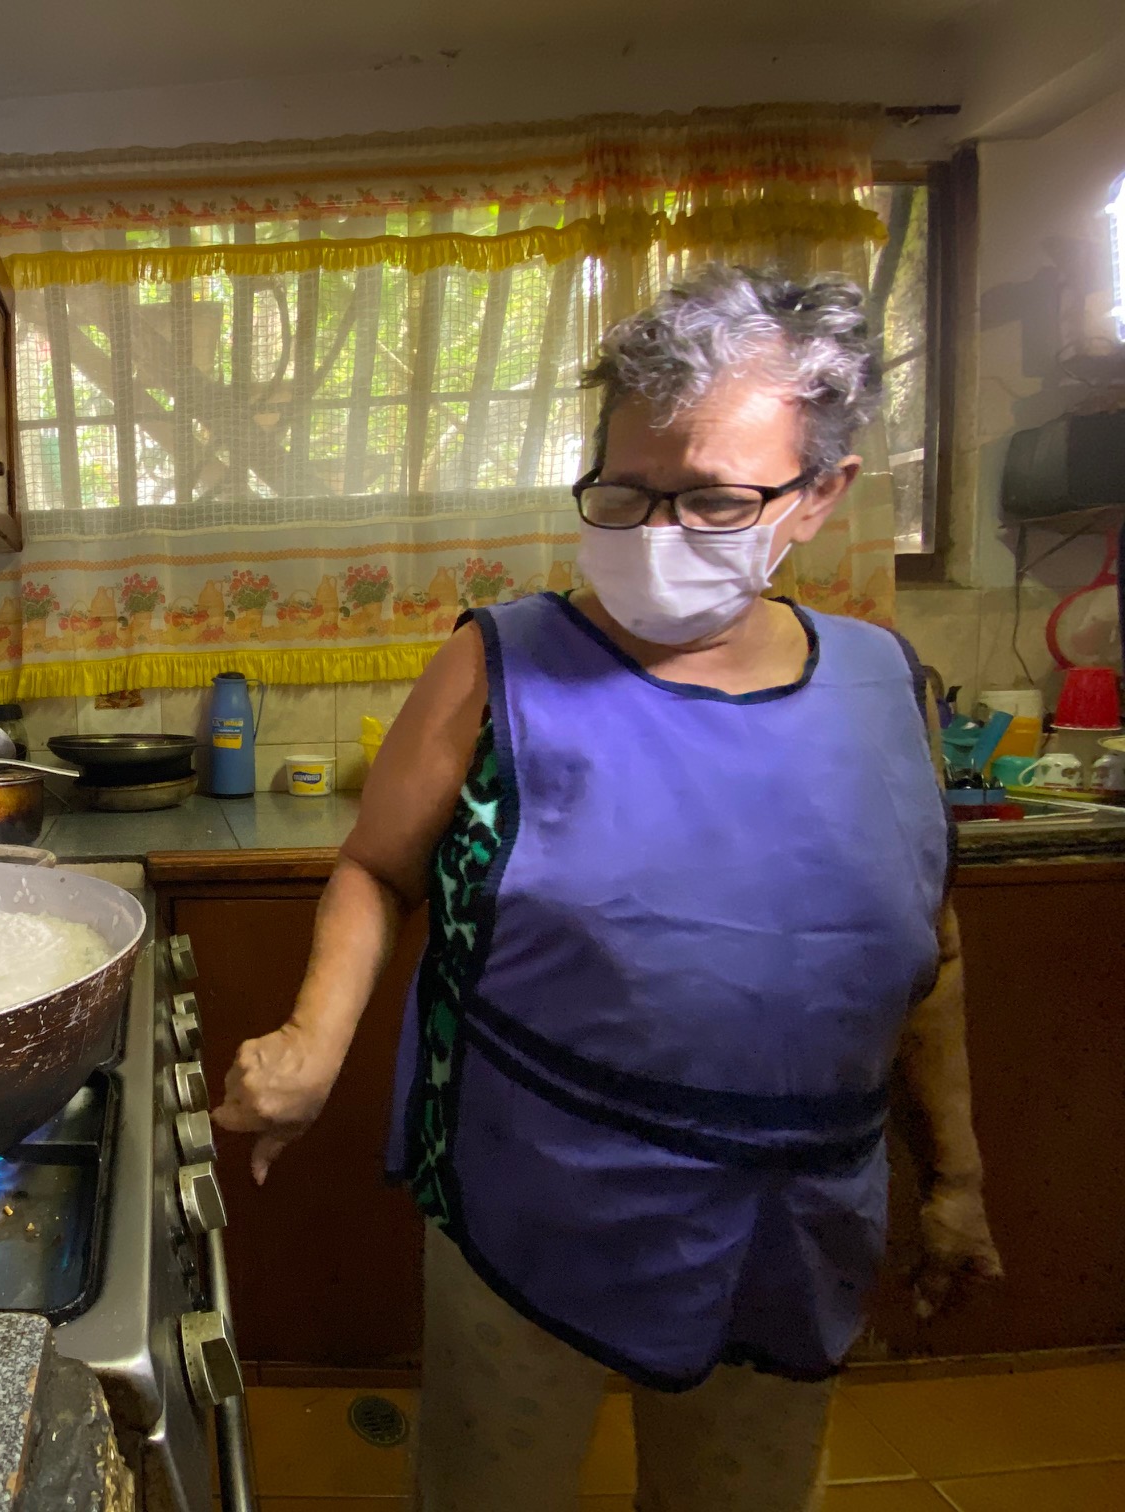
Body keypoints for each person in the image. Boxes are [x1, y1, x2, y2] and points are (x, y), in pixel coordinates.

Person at [212, 266, 1001, 1512]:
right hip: (542, 1194)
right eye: (625, 491)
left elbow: (927, 948)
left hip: (796, 1220)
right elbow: (375, 867)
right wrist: (315, 1042)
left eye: (713, 501)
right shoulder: (501, 663)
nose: (655, 534)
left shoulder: (888, 686)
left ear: (819, 498)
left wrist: (954, 1177)